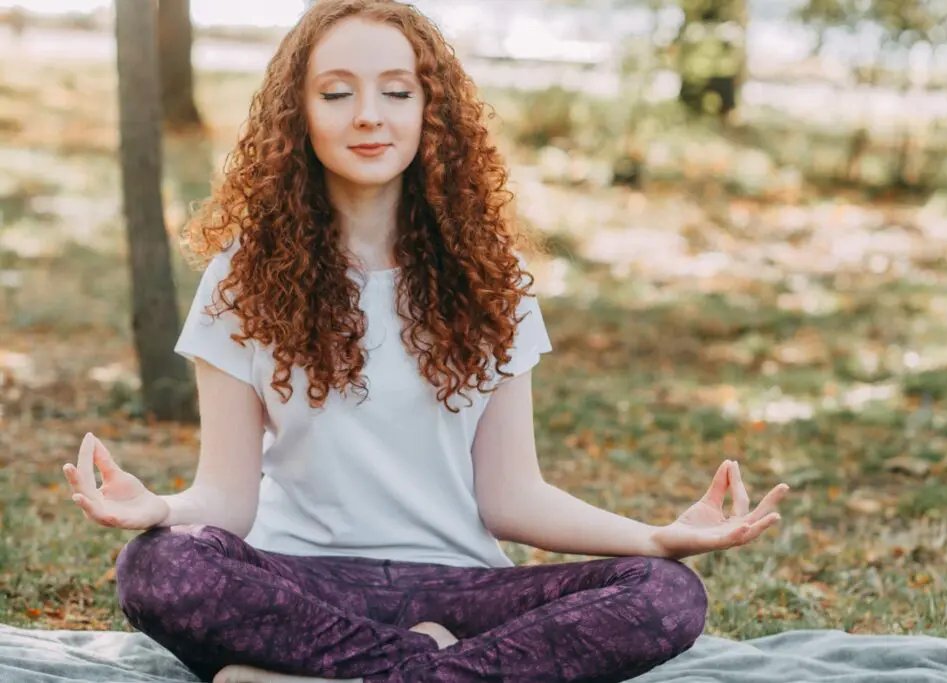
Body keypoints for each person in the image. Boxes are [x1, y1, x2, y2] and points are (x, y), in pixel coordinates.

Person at [62, 1, 789, 681]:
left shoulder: (491, 278)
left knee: (666, 593)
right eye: (337, 92)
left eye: (397, 92)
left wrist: (658, 537)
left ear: (431, 110)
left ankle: (337, 673)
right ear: (299, 115)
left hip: (462, 587)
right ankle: (433, 667)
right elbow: (227, 497)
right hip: (296, 584)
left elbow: (513, 496)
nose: (369, 116)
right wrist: (159, 509)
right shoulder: (242, 276)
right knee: (158, 567)